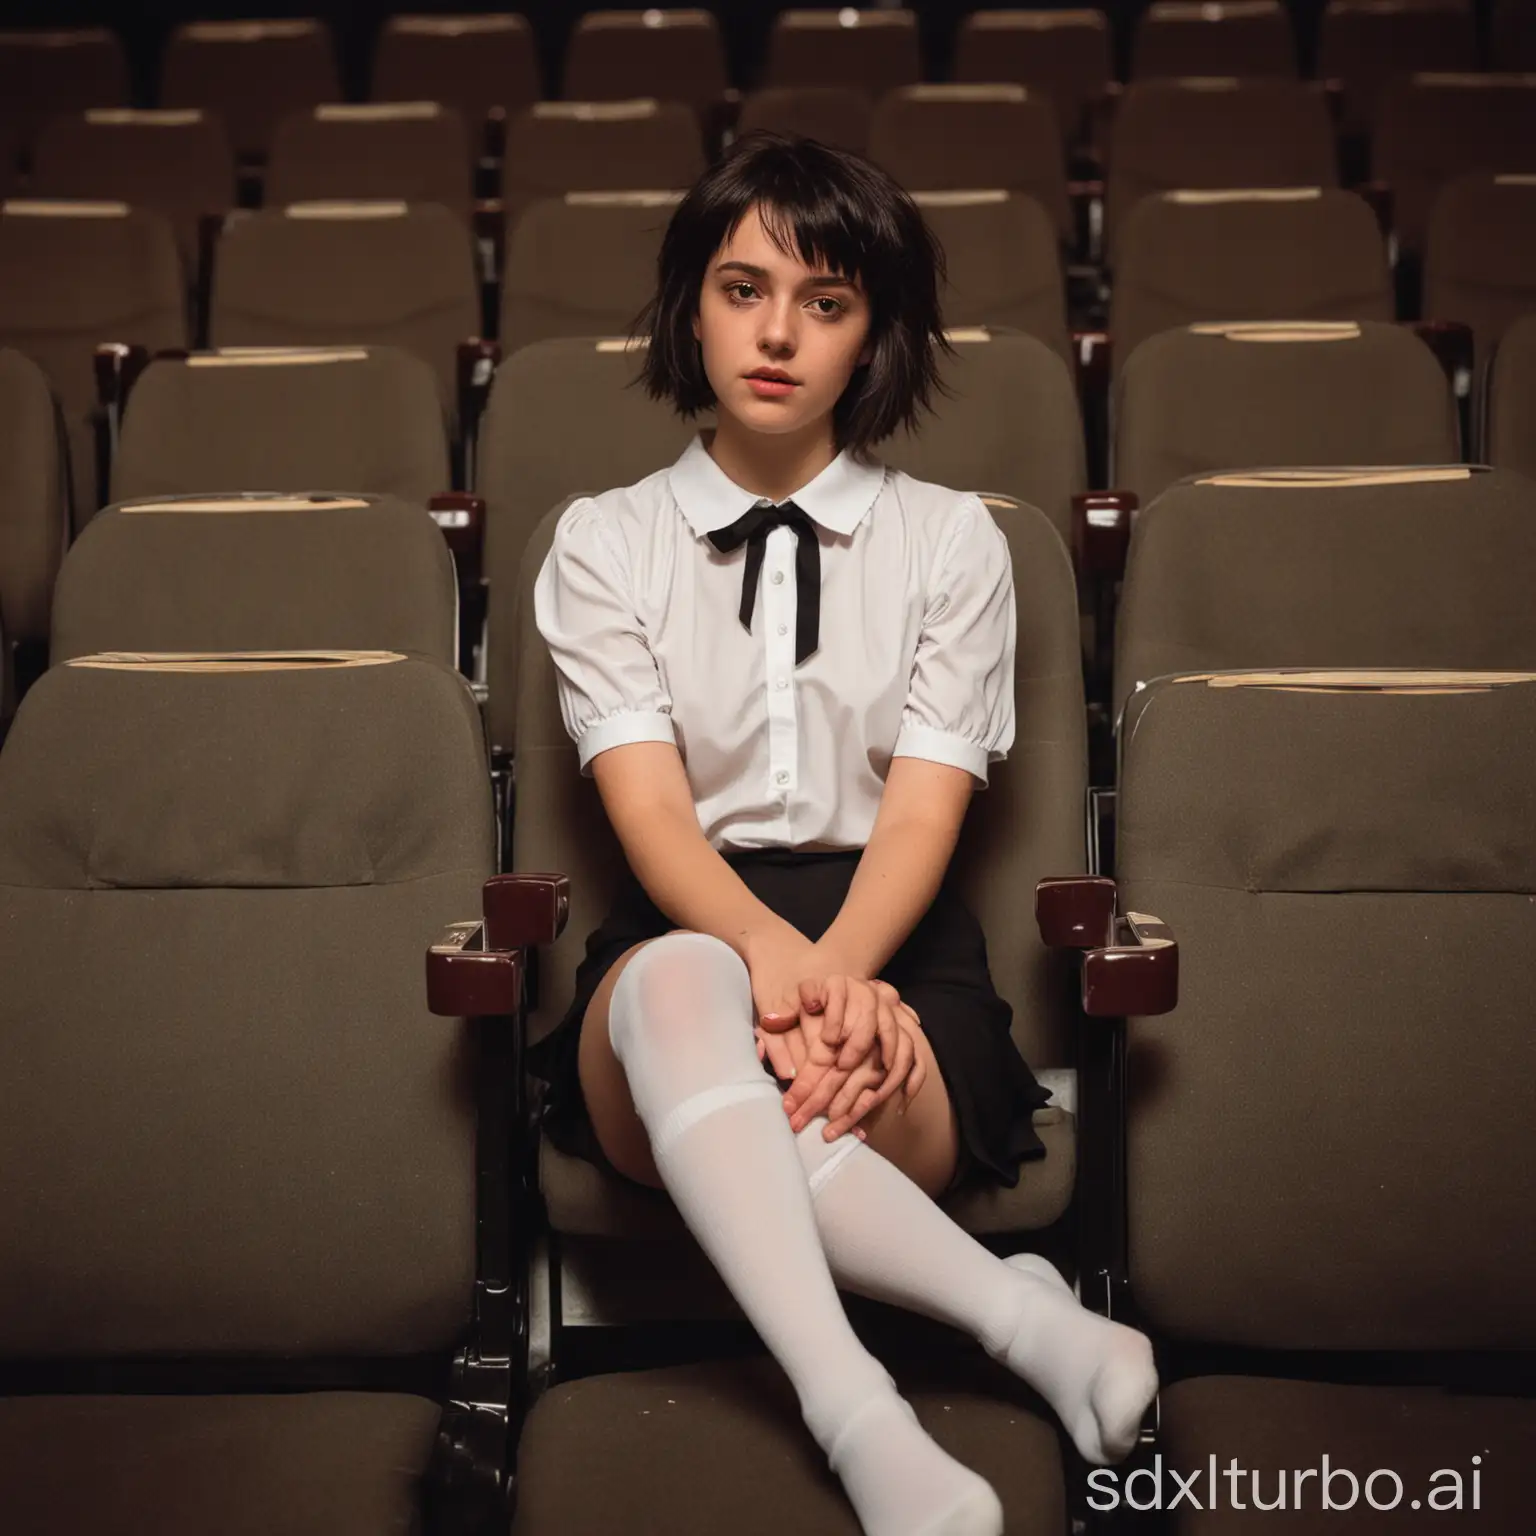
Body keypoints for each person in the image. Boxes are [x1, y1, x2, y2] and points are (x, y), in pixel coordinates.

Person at [528, 132, 1157, 1536]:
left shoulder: (954, 543)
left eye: (826, 302)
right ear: (690, 302)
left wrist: (839, 978)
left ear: (873, 334)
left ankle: (990, 1359)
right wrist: (765, 960)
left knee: (780, 1051)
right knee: (685, 985)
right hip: (688, 931)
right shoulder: (602, 542)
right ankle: (912, 1386)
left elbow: (929, 807)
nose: (776, 334)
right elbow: (645, 811)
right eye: (742, 288)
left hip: (894, 943)